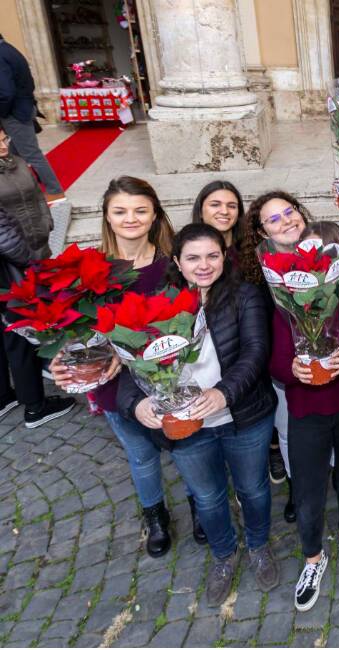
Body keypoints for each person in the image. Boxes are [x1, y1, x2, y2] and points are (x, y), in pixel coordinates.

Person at [118, 223, 279, 605]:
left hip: (244, 417)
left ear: (224, 257)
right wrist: (136, 405)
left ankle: (257, 546)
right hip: (186, 426)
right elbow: (129, 365)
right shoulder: (157, 301)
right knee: (207, 497)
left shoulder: (245, 296)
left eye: (212, 255)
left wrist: (224, 393)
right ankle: (224, 555)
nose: (204, 265)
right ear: (176, 261)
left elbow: (255, 352)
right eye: (193, 257)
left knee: (253, 489)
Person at [50, 176, 190, 557]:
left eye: (141, 210)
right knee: (141, 454)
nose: (131, 219)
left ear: (155, 215)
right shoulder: (89, 270)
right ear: (107, 217)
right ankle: (155, 514)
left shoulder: (172, 266)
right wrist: (68, 358)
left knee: (184, 446)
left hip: (168, 375)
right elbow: (75, 329)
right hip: (115, 381)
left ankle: (198, 501)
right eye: (121, 211)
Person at [270, 221, 339, 612]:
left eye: (325, 255)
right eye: (308, 254)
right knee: (308, 491)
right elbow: (275, 362)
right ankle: (313, 558)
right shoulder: (288, 303)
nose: (316, 264)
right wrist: (290, 369)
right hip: (307, 412)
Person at [195, 181, 288, 491]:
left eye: (231, 205)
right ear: (201, 208)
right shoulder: (192, 249)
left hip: (257, 331)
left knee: (262, 389)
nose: (224, 211)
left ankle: (273, 448)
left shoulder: (247, 249)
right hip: (217, 341)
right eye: (215, 204)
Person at [242, 190, 310, 523]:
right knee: (287, 430)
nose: (286, 221)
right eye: (274, 219)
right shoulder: (256, 275)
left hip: (329, 362)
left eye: (289, 212)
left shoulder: (331, 250)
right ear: (261, 232)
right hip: (283, 371)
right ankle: (298, 487)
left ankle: (338, 477)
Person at [0, 196, 74, 428]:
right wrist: (33, 262)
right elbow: (7, 241)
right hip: (5, 279)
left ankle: (3, 397)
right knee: (19, 338)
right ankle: (35, 407)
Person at [0, 34, 64, 202]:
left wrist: (2, 112)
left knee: (31, 154)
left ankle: (55, 191)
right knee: (13, 154)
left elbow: (6, 92)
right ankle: (20, 189)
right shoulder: (9, 49)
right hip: (23, 107)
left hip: (14, 112)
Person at [0, 128, 53, 260]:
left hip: (41, 240)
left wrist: (47, 221)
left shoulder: (19, 162)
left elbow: (38, 195)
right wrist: (15, 249)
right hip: (14, 250)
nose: (4, 146)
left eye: (5, 140)